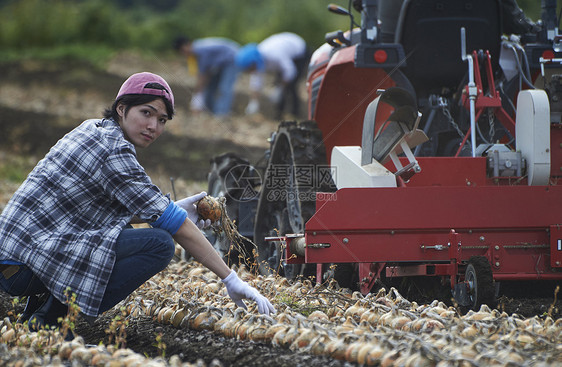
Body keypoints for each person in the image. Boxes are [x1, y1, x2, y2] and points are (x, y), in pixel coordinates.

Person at [0, 72, 275, 333]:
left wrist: (175, 208)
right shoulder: (114, 152)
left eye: (162, 120)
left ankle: (41, 310)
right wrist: (230, 279)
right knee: (159, 244)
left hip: (15, 255)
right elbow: (171, 224)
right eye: (147, 113)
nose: (153, 126)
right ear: (122, 109)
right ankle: (50, 319)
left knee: (120, 233)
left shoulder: (94, 129)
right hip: (21, 266)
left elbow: (103, 206)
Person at [236, 32, 309, 120]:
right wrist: (253, 102)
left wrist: (280, 88)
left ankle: (295, 113)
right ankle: (279, 114)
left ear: (254, 62)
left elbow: (290, 71)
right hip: (284, 58)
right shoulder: (258, 60)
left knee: (291, 86)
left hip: (299, 52)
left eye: (251, 68)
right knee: (279, 83)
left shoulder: (274, 55)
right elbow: (256, 82)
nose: (251, 71)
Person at [174, 36, 240, 116]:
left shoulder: (200, 51)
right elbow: (205, 75)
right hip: (219, 63)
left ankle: (221, 113)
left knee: (225, 87)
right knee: (210, 86)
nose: (184, 54)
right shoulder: (197, 48)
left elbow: (203, 76)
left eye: (183, 50)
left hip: (232, 59)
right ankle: (210, 110)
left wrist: (196, 96)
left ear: (187, 45)